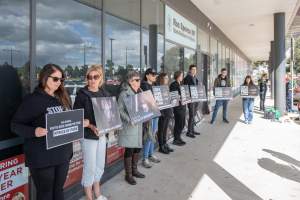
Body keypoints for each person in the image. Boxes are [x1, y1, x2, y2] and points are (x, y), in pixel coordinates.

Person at [11, 64, 77, 200]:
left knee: (58, 190)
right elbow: (15, 125)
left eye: (61, 80)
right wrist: (34, 131)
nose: (59, 83)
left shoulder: (63, 97)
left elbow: (70, 120)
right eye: (55, 79)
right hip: (42, 157)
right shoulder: (33, 100)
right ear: (45, 78)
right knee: (45, 194)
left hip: (63, 155)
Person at [73, 64, 109, 200]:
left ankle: (98, 193)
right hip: (88, 136)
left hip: (101, 135)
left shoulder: (105, 93)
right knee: (90, 167)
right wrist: (90, 126)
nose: (92, 80)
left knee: (100, 165)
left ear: (101, 78)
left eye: (95, 77)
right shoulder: (82, 95)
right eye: (89, 77)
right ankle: (89, 197)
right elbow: (76, 118)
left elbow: (109, 114)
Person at [118, 70, 145, 185]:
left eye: (139, 80)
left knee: (138, 147)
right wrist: (129, 120)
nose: (139, 82)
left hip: (139, 125)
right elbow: (119, 110)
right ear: (130, 81)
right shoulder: (124, 94)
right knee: (129, 149)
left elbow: (145, 106)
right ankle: (128, 175)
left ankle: (134, 170)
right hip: (130, 126)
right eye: (137, 80)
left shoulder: (140, 91)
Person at [141, 68, 160, 168]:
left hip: (156, 112)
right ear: (147, 75)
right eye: (152, 75)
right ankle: (145, 158)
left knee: (153, 133)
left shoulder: (155, 85)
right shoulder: (144, 85)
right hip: (149, 113)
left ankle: (151, 154)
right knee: (149, 135)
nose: (154, 77)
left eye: (155, 75)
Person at [157, 72, 174, 154]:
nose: (167, 79)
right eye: (166, 78)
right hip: (162, 113)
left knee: (165, 129)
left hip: (168, 111)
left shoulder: (166, 87)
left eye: (168, 78)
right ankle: (161, 146)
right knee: (161, 130)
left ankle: (165, 143)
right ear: (161, 79)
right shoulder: (158, 88)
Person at [183, 64, 200, 138]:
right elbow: (185, 89)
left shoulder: (195, 78)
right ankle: (189, 132)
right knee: (191, 115)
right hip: (190, 99)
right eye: (193, 69)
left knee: (194, 115)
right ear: (190, 70)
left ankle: (192, 130)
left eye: (195, 69)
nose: (194, 71)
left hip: (196, 99)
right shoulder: (187, 78)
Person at [170, 71, 186, 146]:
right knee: (178, 123)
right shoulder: (173, 85)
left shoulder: (181, 84)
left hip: (183, 106)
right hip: (177, 107)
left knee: (182, 123)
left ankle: (179, 137)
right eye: (181, 75)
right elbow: (174, 96)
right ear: (178, 76)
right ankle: (176, 139)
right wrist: (180, 97)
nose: (182, 77)